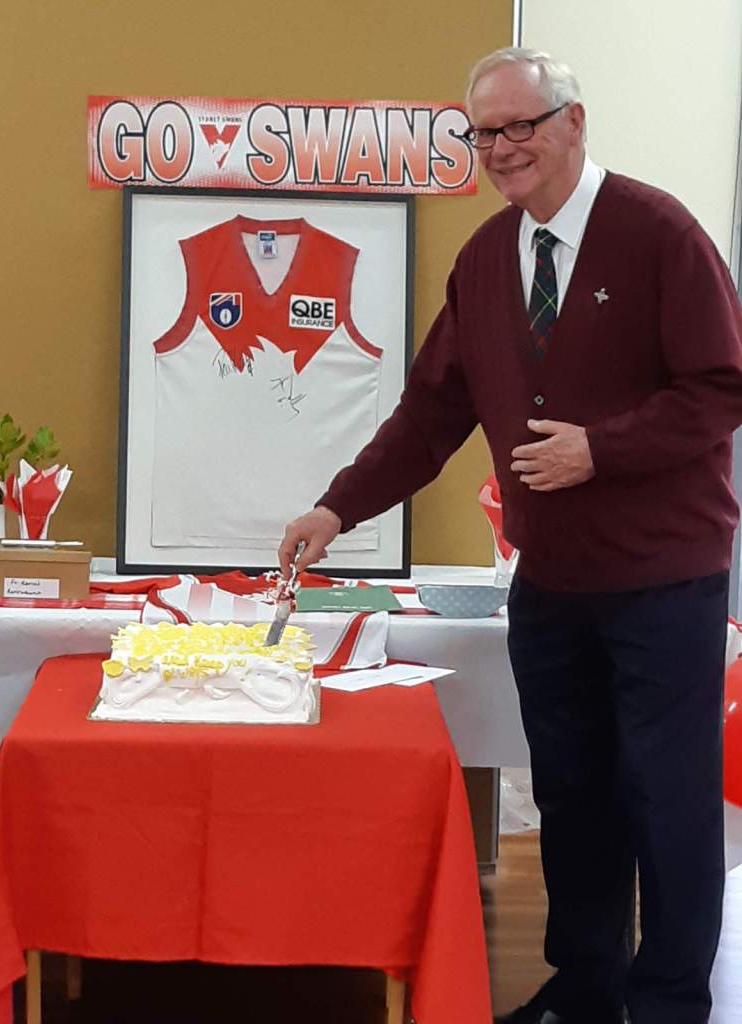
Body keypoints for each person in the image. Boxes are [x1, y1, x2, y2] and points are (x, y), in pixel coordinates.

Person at [278, 47, 742, 1024]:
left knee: (668, 802)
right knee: (572, 798)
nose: (500, 148)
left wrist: (599, 450)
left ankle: (668, 1003)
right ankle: (587, 989)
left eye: (520, 125)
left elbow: (719, 387)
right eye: (483, 132)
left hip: (666, 586)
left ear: (576, 122)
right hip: (552, 587)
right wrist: (336, 507)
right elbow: (430, 413)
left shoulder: (661, 234)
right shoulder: (486, 259)